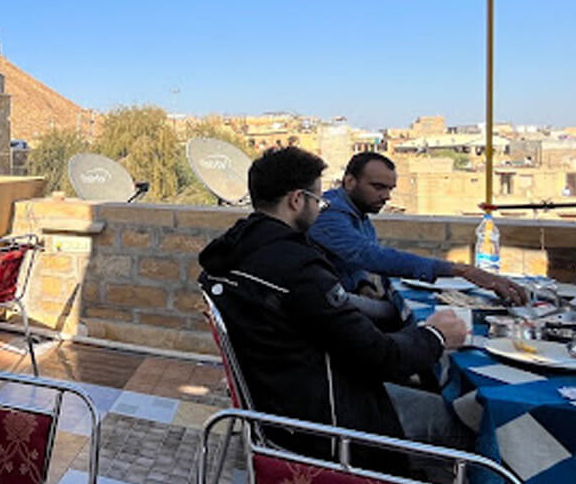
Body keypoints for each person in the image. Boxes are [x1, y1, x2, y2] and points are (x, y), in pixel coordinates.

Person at [198, 147, 472, 469]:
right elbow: (382, 358)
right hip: (324, 422)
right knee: (464, 426)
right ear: (297, 200)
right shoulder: (298, 268)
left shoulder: (235, 251)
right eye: (319, 201)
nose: (321, 208)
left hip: (280, 404)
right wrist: (436, 335)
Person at [309, 152, 528, 305]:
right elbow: (368, 255)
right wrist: (461, 270)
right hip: (330, 305)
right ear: (349, 182)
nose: (386, 196)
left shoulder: (359, 212)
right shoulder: (330, 213)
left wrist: (364, 284)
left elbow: (352, 261)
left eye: (390, 189)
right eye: (378, 187)